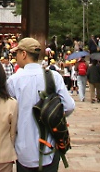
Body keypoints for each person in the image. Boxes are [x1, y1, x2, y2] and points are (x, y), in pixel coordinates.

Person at [6, 37, 75, 172]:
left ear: (24, 54)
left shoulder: (13, 81)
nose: (16, 56)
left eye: (17, 53)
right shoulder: (53, 77)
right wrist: (53, 115)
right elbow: (69, 106)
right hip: (49, 147)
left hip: (23, 149)